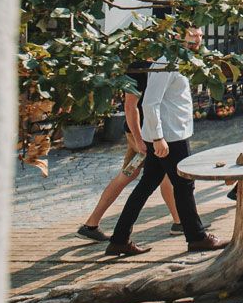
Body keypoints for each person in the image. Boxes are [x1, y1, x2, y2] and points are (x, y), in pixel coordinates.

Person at [107, 24, 223, 256]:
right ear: (178, 36)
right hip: (169, 137)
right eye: (192, 34)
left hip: (170, 134)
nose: (197, 39)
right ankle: (197, 237)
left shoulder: (179, 62)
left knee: (147, 185)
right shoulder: (166, 63)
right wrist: (158, 138)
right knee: (184, 184)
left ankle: (119, 239)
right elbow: (150, 103)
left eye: (200, 35)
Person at [75, 64, 181, 242]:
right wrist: (139, 140)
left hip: (148, 133)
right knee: (164, 175)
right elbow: (130, 107)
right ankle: (180, 222)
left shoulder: (162, 63)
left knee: (129, 174)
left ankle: (91, 224)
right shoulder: (138, 69)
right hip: (143, 135)